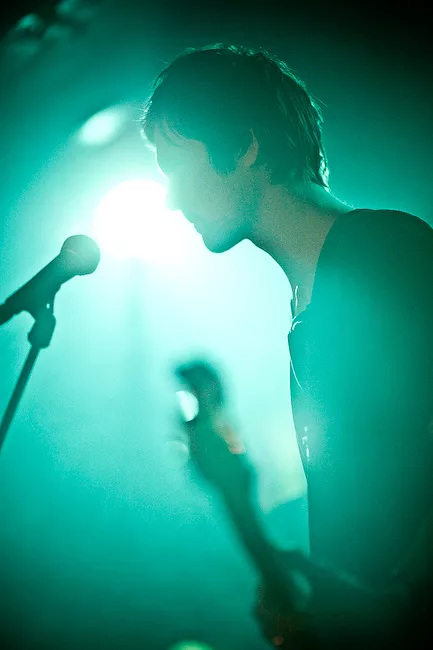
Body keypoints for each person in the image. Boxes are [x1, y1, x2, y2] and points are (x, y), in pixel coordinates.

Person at [140, 44, 433, 646]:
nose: (170, 198)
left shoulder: (384, 250)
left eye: (176, 164)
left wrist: (405, 597)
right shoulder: (304, 308)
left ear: (245, 145)